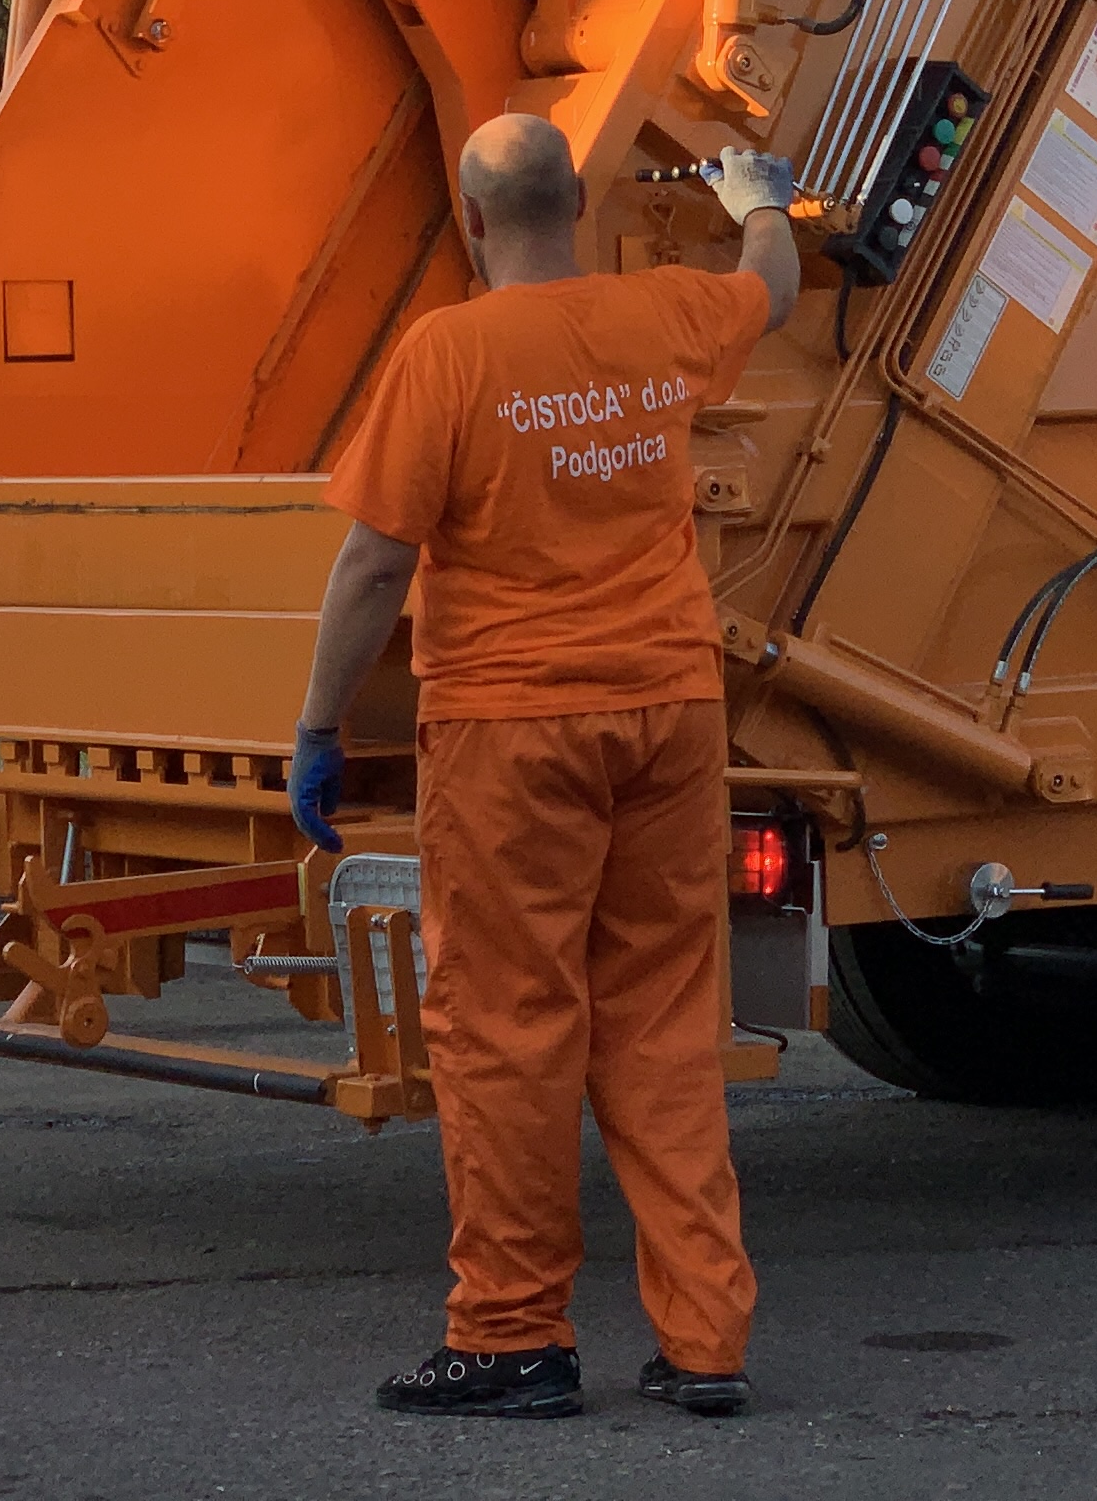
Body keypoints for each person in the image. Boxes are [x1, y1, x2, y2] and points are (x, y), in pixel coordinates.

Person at [291, 113, 798, 1422]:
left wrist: (317, 726)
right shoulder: (661, 319)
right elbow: (771, 289)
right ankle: (705, 1341)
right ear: (577, 206)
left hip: (513, 730)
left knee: (511, 1030)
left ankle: (512, 1336)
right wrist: (757, 199)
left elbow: (376, 563)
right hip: (669, 712)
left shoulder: (448, 355)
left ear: (469, 223)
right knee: (664, 1023)